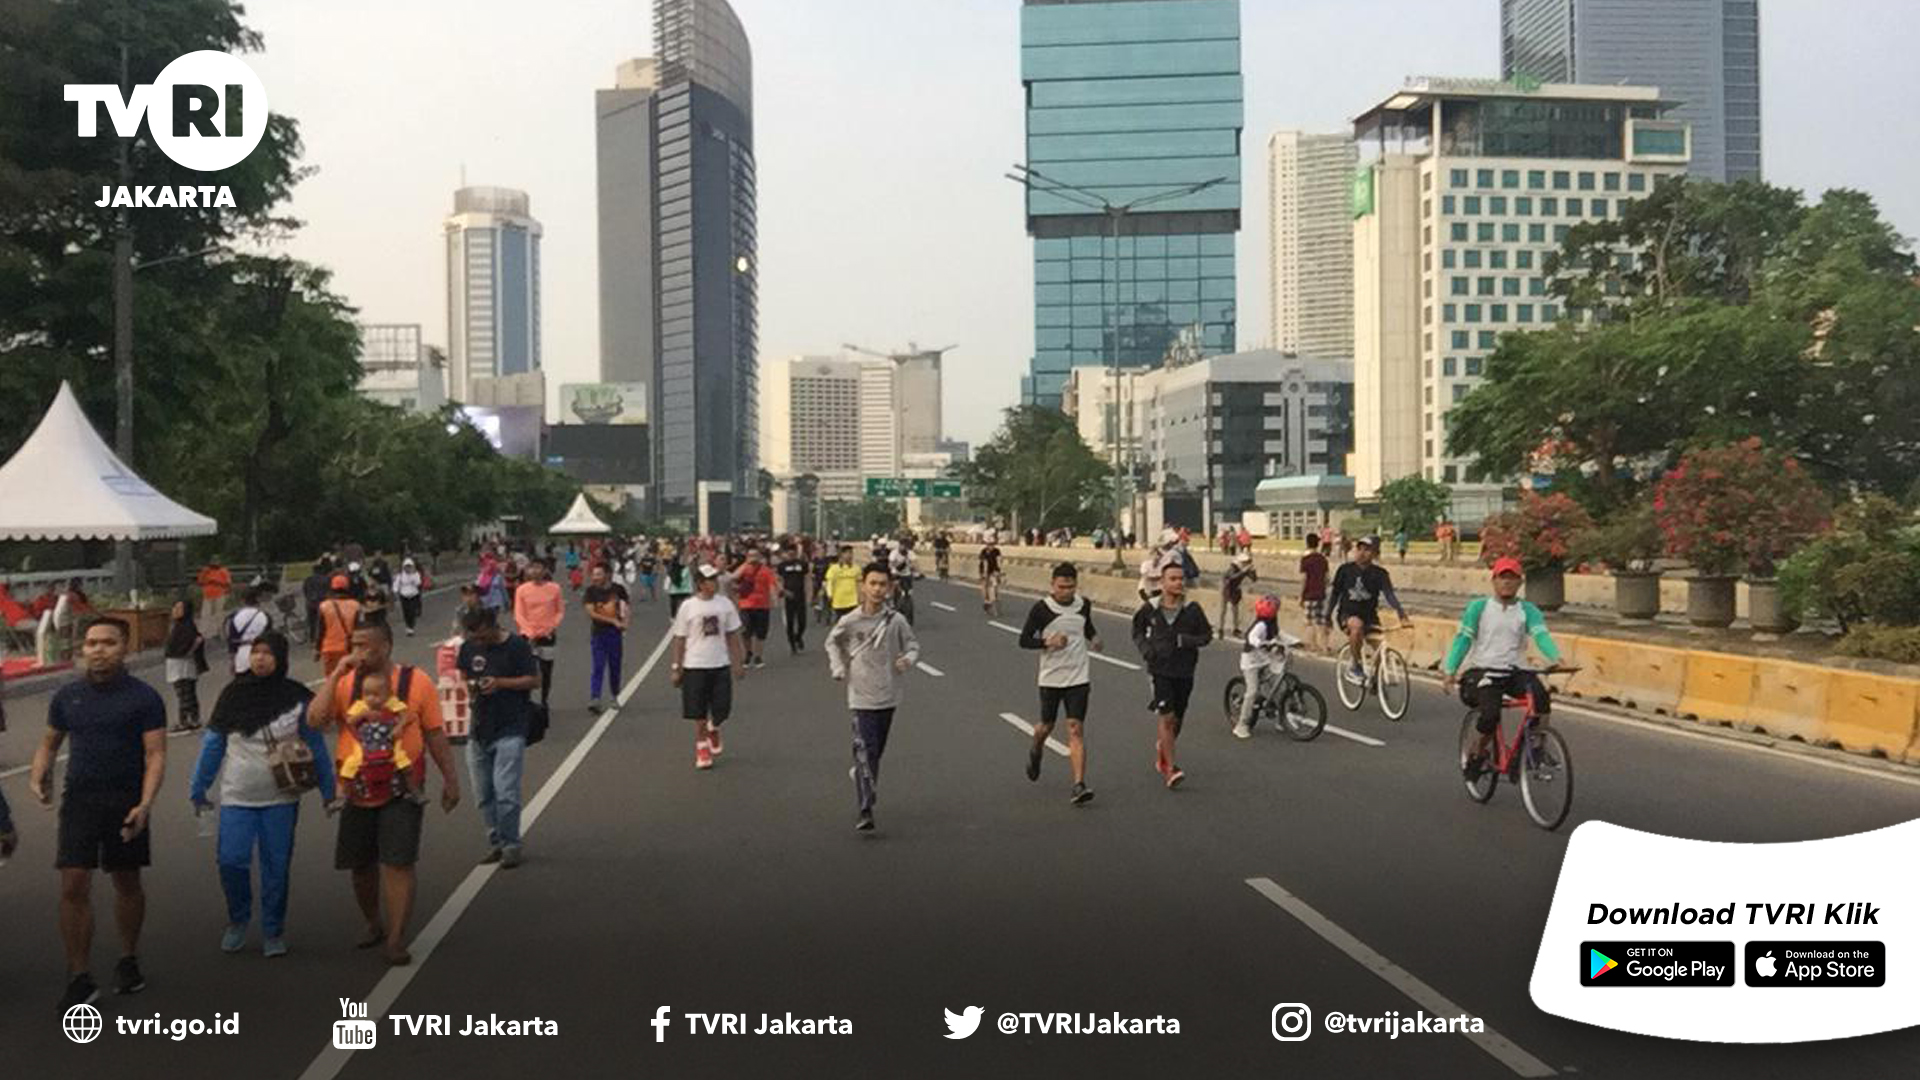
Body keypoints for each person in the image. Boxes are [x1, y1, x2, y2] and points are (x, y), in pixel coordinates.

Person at [29, 618, 168, 1009]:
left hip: (126, 800)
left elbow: (155, 754)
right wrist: (40, 774)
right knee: (73, 885)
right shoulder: (67, 697)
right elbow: (49, 743)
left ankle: (128, 957)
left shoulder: (143, 698)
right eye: (92, 643)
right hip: (80, 802)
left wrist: (145, 803)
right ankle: (79, 975)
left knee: (126, 882)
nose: (98, 649)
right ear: (83, 648)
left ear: (124, 648)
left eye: (108, 642)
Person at [309, 619, 461, 966]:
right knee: (361, 865)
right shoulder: (346, 684)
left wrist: (450, 780)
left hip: (401, 786)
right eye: (355, 644)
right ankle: (372, 922)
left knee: (398, 861)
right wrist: (334, 676)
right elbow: (316, 721)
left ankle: (395, 937)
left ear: (387, 646)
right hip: (357, 786)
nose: (359, 652)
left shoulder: (416, 682)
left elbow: (435, 733)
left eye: (366, 645)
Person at [189, 630, 335, 957]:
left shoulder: (297, 697)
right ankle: (238, 919)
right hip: (237, 796)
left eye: (268, 653)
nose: (260, 658)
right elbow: (213, 745)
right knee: (231, 860)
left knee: (277, 866)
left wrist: (329, 791)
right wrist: (198, 788)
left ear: (279, 658)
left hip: (281, 798)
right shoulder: (232, 695)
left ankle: (273, 929)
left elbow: (316, 747)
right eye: (255, 652)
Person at [1444, 558, 1565, 777]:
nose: (1507, 583)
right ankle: (1478, 753)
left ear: (1520, 582)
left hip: (1516, 670)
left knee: (1541, 697)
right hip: (1484, 671)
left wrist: (1556, 658)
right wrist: (1450, 669)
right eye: (1503, 577)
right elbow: (1463, 639)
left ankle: (1537, 745)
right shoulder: (1479, 607)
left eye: (1512, 578)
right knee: (1490, 715)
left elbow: (1541, 636)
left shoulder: (1527, 610)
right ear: (1494, 581)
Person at [826, 563, 921, 832]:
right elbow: (832, 643)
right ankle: (865, 807)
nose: (877, 589)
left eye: (883, 584)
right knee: (867, 750)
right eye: (873, 584)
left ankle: (861, 774)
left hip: (888, 695)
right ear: (863, 586)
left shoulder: (896, 620)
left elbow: (913, 645)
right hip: (860, 696)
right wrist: (838, 666)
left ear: (890, 588)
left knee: (875, 752)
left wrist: (908, 659)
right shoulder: (850, 621)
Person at [457, 607, 540, 867]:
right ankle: (496, 841)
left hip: (511, 725)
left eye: (482, 636)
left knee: (506, 791)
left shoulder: (516, 646)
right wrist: (472, 687)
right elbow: (464, 674)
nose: (478, 642)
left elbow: (534, 680)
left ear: (493, 626)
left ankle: (511, 844)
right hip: (479, 727)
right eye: (473, 637)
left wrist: (501, 683)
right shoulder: (469, 648)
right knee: (483, 793)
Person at [1016, 563, 1099, 805]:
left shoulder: (1083, 605)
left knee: (1075, 727)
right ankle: (1036, 747)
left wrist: (1094, 638)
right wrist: (1047, 642)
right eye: (1061, 587)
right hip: (1051, 677)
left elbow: (1088, 627)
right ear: (1052, 585)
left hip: (1078, 675)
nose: (1066, 591)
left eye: (1071, 587)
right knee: (1046, 726)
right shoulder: (1041, 609)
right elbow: (1023, 640)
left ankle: (1078, 784)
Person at [1131, 562, 1211, 790]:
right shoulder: (1150, 609)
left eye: (1181, 579)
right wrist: (1147, 650)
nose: (1178, 583)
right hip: (1159, 670)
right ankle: (1170, 769)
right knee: (1166, 717)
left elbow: (1206, 636)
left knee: (1177, 719)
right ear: (1162, 582)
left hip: (1185, 671)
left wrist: (1187, 641)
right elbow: (1136, 630)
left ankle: (1163, 752)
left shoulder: (1193, 610)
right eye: (1173, 579)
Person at [669, 565, 746, 771]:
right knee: (698, 711)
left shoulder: (725, 604)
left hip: (720, 663)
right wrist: (676, 667)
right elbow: (679, 638)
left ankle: (715, 727)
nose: (714, 584)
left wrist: (738, 662)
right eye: (710, 580)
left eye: (715, 580)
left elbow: (731, 634)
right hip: (695, 664)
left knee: (722, 708)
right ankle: (702, 747)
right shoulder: (688, 606)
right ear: (701, 584)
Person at [1330, 535, 1412, 685]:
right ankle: (1355, 666)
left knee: (1381, 650)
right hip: (1348, 614)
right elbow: (1335, 593)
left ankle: (1375, 680)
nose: (1362, 553)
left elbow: (1389, 595)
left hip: (1370, 617)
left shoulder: (1380, 574)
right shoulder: (1345, 570)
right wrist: (1327, 615)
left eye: (1367, 550)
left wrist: (1402, 615)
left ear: (1374, 553)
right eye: (1359, 549)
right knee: (1357, 626)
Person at [1235, 595, 1294, 739]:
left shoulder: (1272, 625)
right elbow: (1252, 637)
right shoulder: (1261, 625)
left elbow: (1281, 635)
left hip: (1265, 660)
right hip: (1251, 663)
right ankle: (1241, 725)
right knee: (1252, 691)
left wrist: (1296, 641)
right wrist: (1261, 643)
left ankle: (1281, 720)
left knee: (1279, 687)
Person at [512, 558, 565, 709]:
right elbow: (518, 614)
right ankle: (525, 700)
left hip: (547, 635)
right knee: (526, 669)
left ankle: (544, 700)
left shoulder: (554, 588)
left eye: (538, 568)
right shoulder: (522, 590)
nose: (535, 571)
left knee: (546, 669)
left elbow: (559, 611)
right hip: (527, 635)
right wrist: (529, 632)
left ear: (545, 570)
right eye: (532, 568)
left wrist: (550, 627)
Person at [583, 563, 631, 711]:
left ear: (608, 575)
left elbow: (626, 607)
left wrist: (625, 622)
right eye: (594, 574)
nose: (595, 577)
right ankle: (595, 697)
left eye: (599, 574)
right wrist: (612, 621)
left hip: (615, 634)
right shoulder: (591, 592)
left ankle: (614, 695)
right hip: (599, 633)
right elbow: (591, 613)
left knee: (614, 666)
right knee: (598, 665)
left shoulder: (618, 590)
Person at [163, 597, 208, 732]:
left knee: (185, 693)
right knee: (185, 693)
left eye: (179, 608)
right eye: (174, 608)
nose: (175, 611)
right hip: (178, 664)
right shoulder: (178, 626)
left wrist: (189, 650)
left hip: (183, 666)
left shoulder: (186, 627)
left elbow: (195, 641)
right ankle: (192, 719)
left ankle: (187, 721)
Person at [732, 548, 777, 669]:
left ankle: (758, 656)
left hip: (762, 604)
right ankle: (748, 652)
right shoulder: (744, 568)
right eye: (750, 555)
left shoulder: (766, 570)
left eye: (755, 555)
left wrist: (774, 598)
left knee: (760, 633)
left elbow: (772, 584)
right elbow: (733, 577)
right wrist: (746, 564)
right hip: (746, 604)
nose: (753, 558)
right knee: (745, 631)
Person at [314, 575, 362, 678]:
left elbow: (320, 630)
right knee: (350, 679)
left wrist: (317, 649)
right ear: (347, 588)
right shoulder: (355, 605)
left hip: (329, 649)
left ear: (332, 588)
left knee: (332, 679)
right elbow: (359, 629)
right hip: (349, 648)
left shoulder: (324, 606)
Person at [224, 584, 272, 674]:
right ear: (258, 599)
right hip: (262, 655)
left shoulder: (235, 617)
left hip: (242, 657)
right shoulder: (265, 616)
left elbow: (232, 642)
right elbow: (271, 639)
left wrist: (232, 662)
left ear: (243, 600)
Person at [775, 542, 812, 655]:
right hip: (788, 597)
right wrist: (782, 591)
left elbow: (807, 579)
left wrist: (810, 594)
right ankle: (792, 645)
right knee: (790, 623)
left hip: (800, 595)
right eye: (789, 551)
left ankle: (798, 636)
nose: (791, 553)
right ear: (786, 553)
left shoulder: (802, 564)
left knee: (802, 622)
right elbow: (778, 580)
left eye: (793, 551)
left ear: (796, 552)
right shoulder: (782, 565)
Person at [1299, 533, 1332, 654]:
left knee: (1309, 621)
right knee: (1321, 621)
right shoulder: (1323, 559)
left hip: (1309, 594)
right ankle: (1324, 647)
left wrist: (1301, 596)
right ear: (1318, 544)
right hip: (1321, 594)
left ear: (1307, 543)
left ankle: (1313, 646)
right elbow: (1327, 578)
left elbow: (1304, 579)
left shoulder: (1305, 560)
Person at [1219, 552, 1258, 637]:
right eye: (1244, 562)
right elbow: (1231, 578)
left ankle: (1235, 628)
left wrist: (1253, 571)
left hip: (1235, 589)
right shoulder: (1233, 568)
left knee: (1235, 610)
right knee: (1223, 609)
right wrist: (1243, 572)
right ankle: (1220, 628)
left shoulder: (1245, 569)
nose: (1246, 564)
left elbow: (1254, 579)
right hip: (1226, 587)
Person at [196, 557, 233, 640]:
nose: (214, 564)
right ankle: (202, 632)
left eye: (216, 562)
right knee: (205, 614)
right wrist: (205, 575)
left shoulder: (223, 571)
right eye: (213, 562)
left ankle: (219, 632)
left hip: (219, 594)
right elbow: (200, 582)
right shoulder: (206, 570)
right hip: (207, 594)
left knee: (218, 614)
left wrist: (217, 582)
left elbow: (228, 583)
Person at [824, 545, 863, 622]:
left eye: (851, 553)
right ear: (841, 555)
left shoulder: (856, 568)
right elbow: (829, 582)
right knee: (841, 625)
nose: (850, 555)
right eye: (847, 553)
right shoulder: (834, 568)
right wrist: (830, 595)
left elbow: (859, 584)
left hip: (853, 601)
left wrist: (861, 597)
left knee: (852, 624)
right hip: (839, 601)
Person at [393, 558, 427, 636]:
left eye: (409, 566)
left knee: (412, 612)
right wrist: (395, 592)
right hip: (403, 596)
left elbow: (418, 583)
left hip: (413, 595)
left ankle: (411, 627)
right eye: (406, 567)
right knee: (406, 612)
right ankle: (408, 627)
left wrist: (413, 575)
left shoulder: (415, 574)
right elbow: (396, 585)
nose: (407, 568)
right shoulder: (400, 575)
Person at [301, 560, 333, 642]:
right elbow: (330, 590)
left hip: (310, 603)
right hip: (322, 603)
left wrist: (309, 598)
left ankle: (312, 638)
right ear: (321, 570)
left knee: (312, 622)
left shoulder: (308, 579)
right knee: (323, 621)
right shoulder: (326, 579)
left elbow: (304, 590)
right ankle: (323, 636)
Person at [977, 537, 1004, 616]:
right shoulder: (983, 551)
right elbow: (985, 563)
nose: (991, 546)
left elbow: (999, 560)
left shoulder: (997, 551)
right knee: (985, 586)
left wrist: (999, 570)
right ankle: (986, 600)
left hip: (993, 571)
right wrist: (984, 574)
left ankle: (995, 601)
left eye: (992, 544)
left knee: (995, 587)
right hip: (985, 571)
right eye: (989, 544)